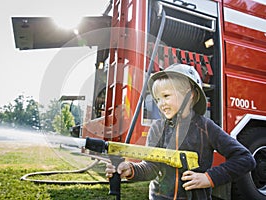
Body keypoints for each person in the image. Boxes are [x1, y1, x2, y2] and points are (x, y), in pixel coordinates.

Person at [105, 63, 256, 199]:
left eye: (166, 96)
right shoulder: (157, 128)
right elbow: (151, 167)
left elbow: (245, 158)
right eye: (157, 99)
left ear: (190, 95)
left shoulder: (206, 128)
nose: (160, 104)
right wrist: (131, 170)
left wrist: (209, 178)